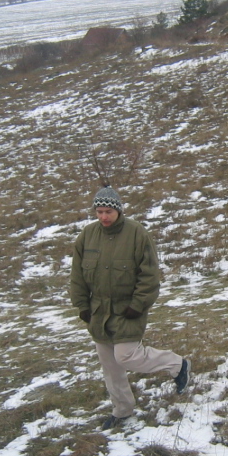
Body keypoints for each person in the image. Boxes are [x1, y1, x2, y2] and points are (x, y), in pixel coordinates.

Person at [70, 184, 191, 430]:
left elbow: (150, 275)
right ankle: (122, 410)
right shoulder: (87, 235)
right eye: (99, 212)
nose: (104, 217)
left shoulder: (137, 234)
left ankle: (177, 364)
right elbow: (77, 276)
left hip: (128, 310)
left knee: (126, 356)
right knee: (110, 366)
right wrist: (82, 305)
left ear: (119, 211)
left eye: (108, 212)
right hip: (98, 312)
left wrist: (138, 305)